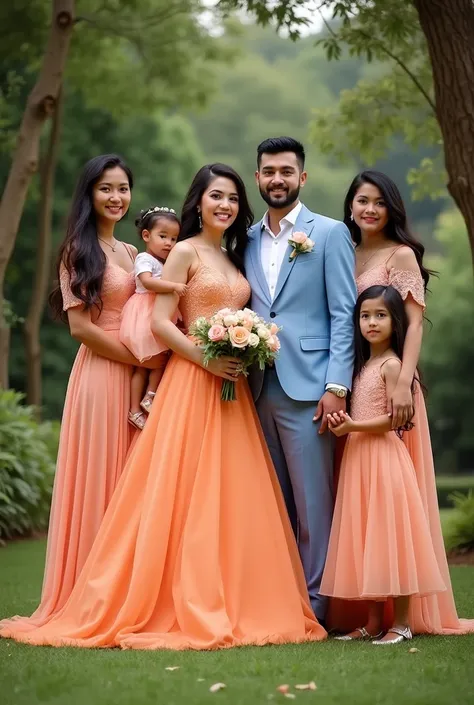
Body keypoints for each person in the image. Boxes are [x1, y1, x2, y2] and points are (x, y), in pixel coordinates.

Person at [0, 163, 325, 650]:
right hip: (192, 382)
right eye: (217, 196)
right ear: (199, 201)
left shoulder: (233, 257)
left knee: (230, 493)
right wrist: (205, 359)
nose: (226, 205)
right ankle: (171, 596)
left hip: (230, 393)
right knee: (179, 495)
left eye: (234, 198)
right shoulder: (184, 252)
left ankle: (238, 593)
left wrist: (246, 346)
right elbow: (158, 322)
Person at [0, 155, 160, 636]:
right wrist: (141, 360)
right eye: (106, 188)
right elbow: (80, 328)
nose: (116, 197)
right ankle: (87, 599)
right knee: (101, 479)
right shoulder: (77, 250)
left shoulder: (134, 253)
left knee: (130, 483)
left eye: (124, 188)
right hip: (102, 374)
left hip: (136, 374)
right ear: (89, 194)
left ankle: (126, 596)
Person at [326, 169, 474, 635]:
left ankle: (404, 618)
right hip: (352, 382)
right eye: (361, 201)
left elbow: (411, 322)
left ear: (391, 208)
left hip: (390, 388)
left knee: (394, 507)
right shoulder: (341, 251)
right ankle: (367, 616)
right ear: (349, 205)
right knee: (361, 505)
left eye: (378, 202)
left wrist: (403, 382)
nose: (369, 209)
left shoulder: (401, 254)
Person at [245, 137, 356, 623]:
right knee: (269, 504)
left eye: (286, 171)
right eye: (268, 171)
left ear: (302, 178)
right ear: (257, 177)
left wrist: (336, 386)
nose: (277, 179)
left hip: (309, 389)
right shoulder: (243, 239)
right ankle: (281, 600)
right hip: (251, 387)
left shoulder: (329, 233)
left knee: (314, 506)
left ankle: (318, 608)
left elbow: (343, 313)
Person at [321, 285, 446, 644]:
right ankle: (373, 622)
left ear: (395, 322)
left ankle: (402, 623)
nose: (372, 323)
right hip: (360, 459)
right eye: (365, 315)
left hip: (384, 458)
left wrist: (353, 427)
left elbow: (396, 421)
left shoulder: (392, 365)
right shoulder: (362, 365)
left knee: (392, 536)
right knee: (369, 538)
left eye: (380, 315)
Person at [120, 206, 187, 430]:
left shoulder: (167, 261)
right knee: (143, 364)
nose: (169, 243)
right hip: (143, 312)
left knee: (162, 357)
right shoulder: (144, 258)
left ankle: (150, 395)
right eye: (163, 236)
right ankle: (134, 409)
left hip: (157, 310)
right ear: (146, 236)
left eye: (174, 238)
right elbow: (148, 282)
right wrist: (173, 286)